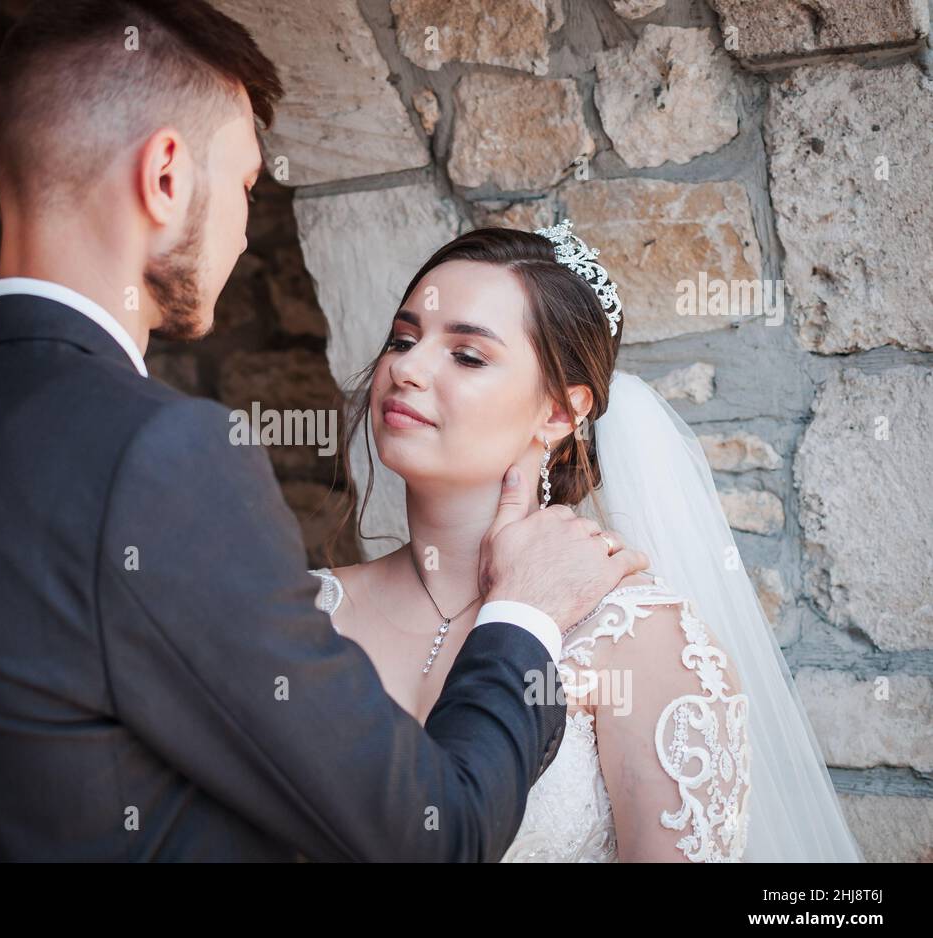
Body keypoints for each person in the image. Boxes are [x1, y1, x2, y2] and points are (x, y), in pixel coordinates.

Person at [0, 0, 646, 861]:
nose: (246, 233)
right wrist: (524, 617)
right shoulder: (161, 460)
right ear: (166, 177)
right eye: (246, 186)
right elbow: (435, 834)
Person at [311, 223, 863, 862]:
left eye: (466, 354)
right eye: (403, 339)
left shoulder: (638, 642)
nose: (405, 367)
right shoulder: (309, 612)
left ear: (558, 413)